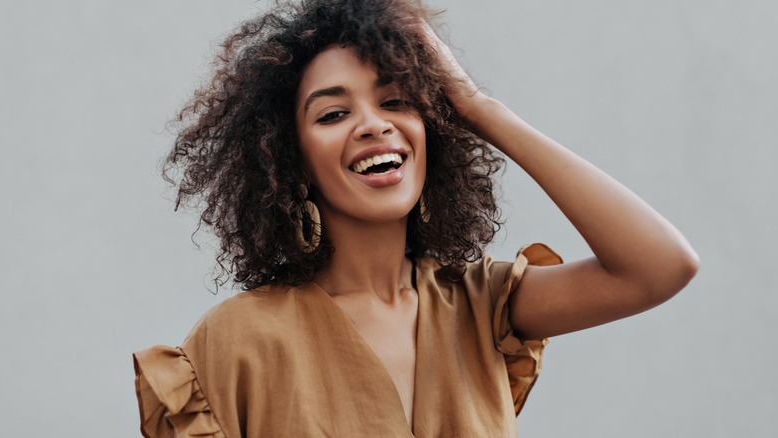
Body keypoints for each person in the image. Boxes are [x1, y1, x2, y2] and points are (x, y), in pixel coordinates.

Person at [133, 0, 699, 436]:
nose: (373, 124)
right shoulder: (237, 342)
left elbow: (659, 267)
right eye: (333, 113)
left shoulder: (483, 309)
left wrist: (479, 106)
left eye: (397, 101)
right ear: (288, 158)